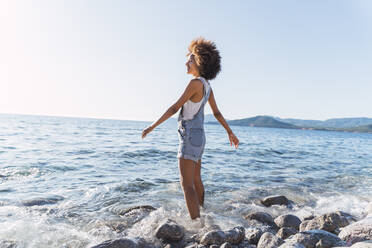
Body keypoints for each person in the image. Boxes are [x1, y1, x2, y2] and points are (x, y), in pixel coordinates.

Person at [142, 37, 239, 220]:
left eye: (191, 59)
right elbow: (217, 113)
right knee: (196, 179)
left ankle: (196, 223)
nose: (187, 62)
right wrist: (230, 132)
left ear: (200, 62)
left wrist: (152, 126)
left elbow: (174, 108)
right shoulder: (208, 87)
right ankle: (202, 213)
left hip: (189, 137)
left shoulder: (195, 84)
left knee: (186, 184)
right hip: (200, 137)